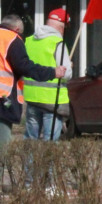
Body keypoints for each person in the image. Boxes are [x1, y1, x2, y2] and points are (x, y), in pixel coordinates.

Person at [0, 14, 68, 145]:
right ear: (17, 29)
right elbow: (25, 67)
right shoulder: (12, 39)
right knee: (0, 150)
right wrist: (52, 72)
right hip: (1, 100)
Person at [23, 8, 72, 142]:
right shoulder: (57, 42)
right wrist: (69, 67)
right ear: (62, 27)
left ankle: (28, 158)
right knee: (50, 143)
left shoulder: (29, 41)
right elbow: (66, 74)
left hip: (32, 97)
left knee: (30, 141)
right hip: (52, 100)